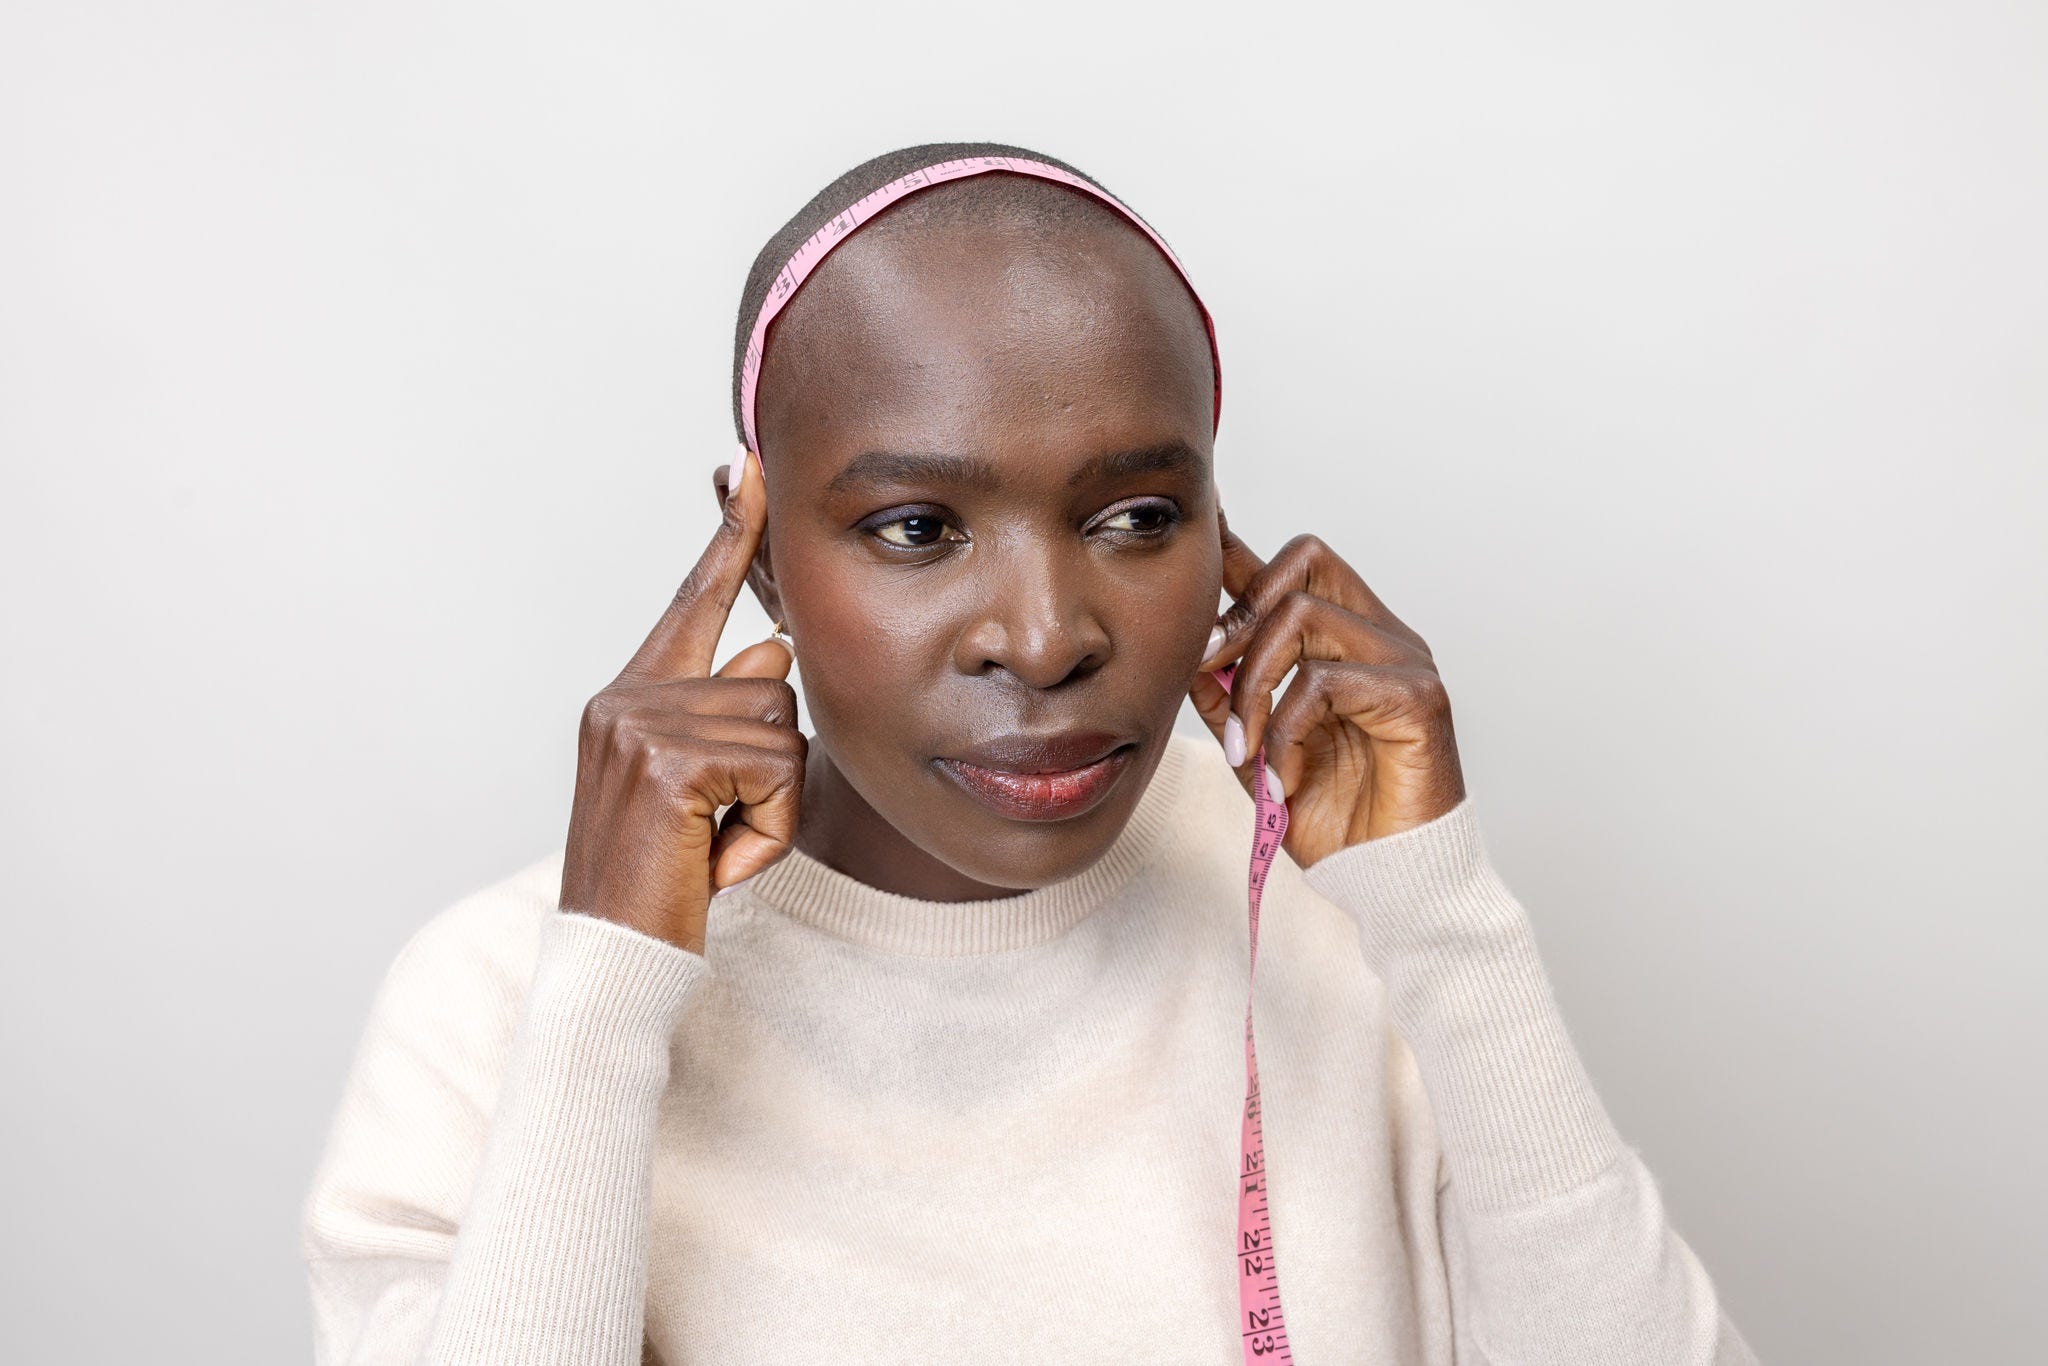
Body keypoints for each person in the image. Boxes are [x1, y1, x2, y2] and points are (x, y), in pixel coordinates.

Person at [301, 142, 1759, 1365]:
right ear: (753, 556)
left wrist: (1442, 911)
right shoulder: (500, 1008)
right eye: (918, 529)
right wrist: (609, 985)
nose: (1048, 634)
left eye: (1133, 515)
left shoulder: (1352, 930)